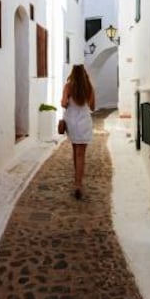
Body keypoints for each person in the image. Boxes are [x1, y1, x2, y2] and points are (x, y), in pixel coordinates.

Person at [61, 64, 95, 200]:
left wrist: (67, 101)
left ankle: (76, 182)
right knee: (82, 154)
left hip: (72, 122)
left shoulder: (68, 87)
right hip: (84, 121)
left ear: (73, 73)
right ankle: (79, 184)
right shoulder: (89, 87)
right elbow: (92, 106)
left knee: (75, 151)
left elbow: (64, 103)